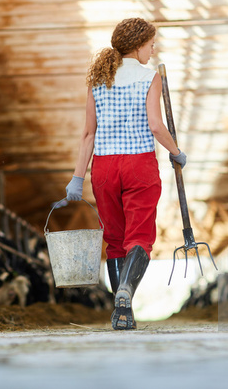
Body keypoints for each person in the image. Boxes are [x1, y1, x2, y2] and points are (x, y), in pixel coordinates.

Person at [65, 17, 186, 331]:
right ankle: (125, 292)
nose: (153, 49)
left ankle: (123, 312)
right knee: (140, 238)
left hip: (104, 168)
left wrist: (78, 177)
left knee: (115, 240)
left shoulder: (97, 79)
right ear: (138, 45)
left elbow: (87, 134)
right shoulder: (149, 77)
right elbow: (157, 126)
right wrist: (176, 152)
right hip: (138, 165)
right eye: (150, 44)